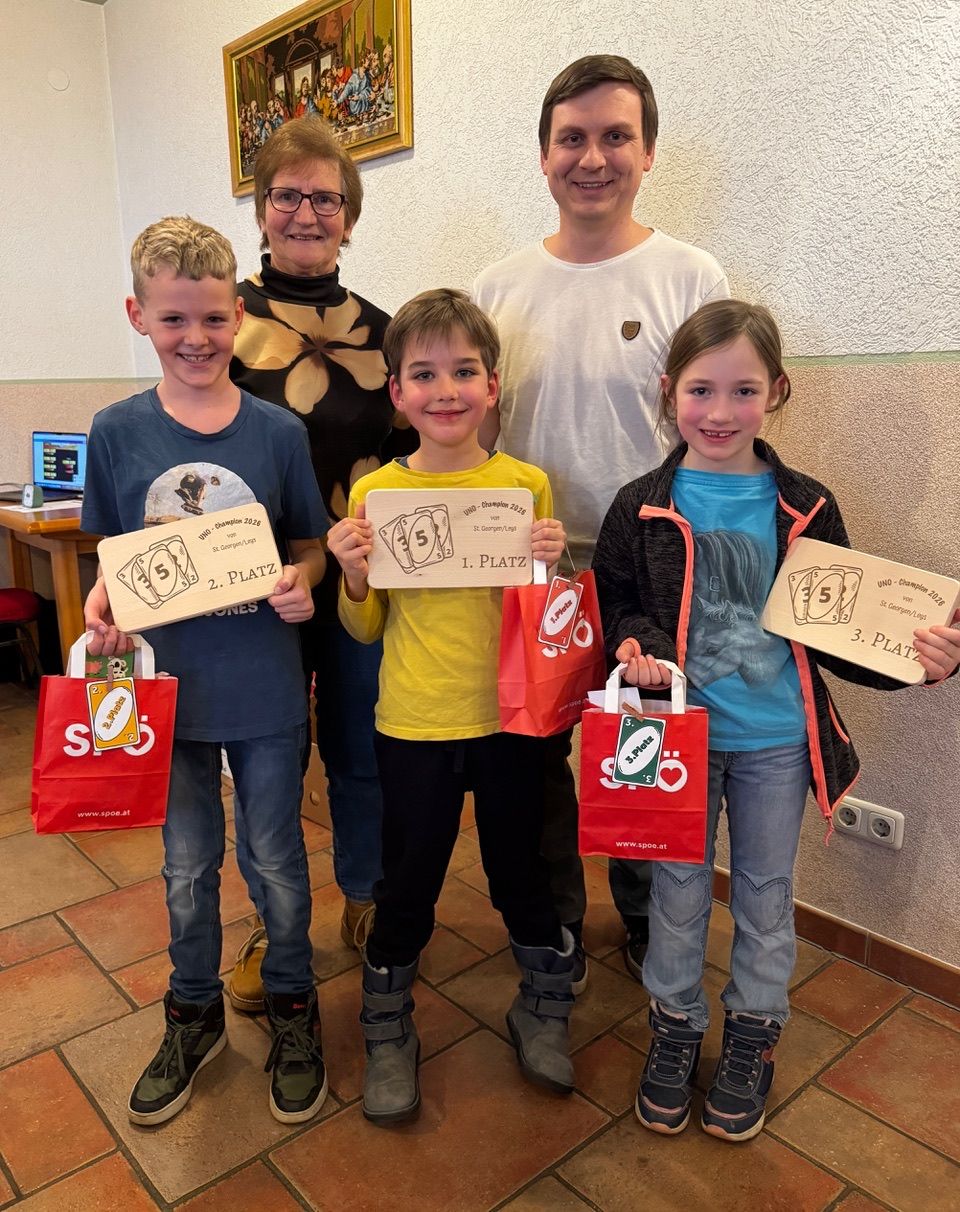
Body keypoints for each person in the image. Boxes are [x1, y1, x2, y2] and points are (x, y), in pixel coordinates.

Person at [592, 298, 960, 1141]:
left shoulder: (806, 506)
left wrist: (923, 660)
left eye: (744, 390)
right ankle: (674, 1028)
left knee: (764, 895)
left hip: (777, 745)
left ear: (778, 392)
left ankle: (754, 1034)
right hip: (672, 739)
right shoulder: (640, 504)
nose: (720, 412)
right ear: (668, 391)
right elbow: (618, 599)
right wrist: (637, 646)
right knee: (677, 892)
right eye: (701, 390)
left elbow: (845, 630)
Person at [473, 55, 729, 985]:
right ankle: (557, 925)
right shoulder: (497, 287)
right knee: (538, 758)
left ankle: (645, 916)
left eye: (616, 136)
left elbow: (714, 423)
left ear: (648, 151)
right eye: (571, 138)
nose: (593, 157)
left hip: (648, 567)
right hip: (531, 565)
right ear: (542, 155)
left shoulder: (690, 275)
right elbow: (476, 432)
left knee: (640, 743)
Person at [81, 217, 330, 1127]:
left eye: (214, 318)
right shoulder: (116, 432)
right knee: (186, 868)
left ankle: (293, 1004)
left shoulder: (278, 433)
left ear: (239, 318)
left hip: (265, 690)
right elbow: (110, 554)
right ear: (138, 315)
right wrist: (99, 602)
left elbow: (308, 548)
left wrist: (303, 584)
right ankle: (193, 1013)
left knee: (277, 863)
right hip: (164, 694)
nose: (197, 338)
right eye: (174, 319)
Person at [326, 289, 577, 1126]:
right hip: (415, 722)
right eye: (424, 374)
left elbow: (547, 621)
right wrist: (353, 573)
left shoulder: (526, 486)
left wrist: (552, 566)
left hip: (511, 722)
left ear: (492, 385)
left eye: (464, 371)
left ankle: (542, 1005)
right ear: (396, 391)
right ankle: (387, 1024)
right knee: (409, 879)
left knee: (522, 870)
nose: (446, 390)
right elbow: (365, 628)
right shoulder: (376, 496)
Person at [230, 116, 414, 1012]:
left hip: (358, 578)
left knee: (360, 746)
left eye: (326, 198)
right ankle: (275, 923)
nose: (307, 213)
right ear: (262, 209)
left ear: (351, 214)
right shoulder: (221, 320)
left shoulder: (386, 332)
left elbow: (415, 455)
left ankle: (367, 895)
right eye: (288, 195)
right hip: (252, 586)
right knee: (268, 757)